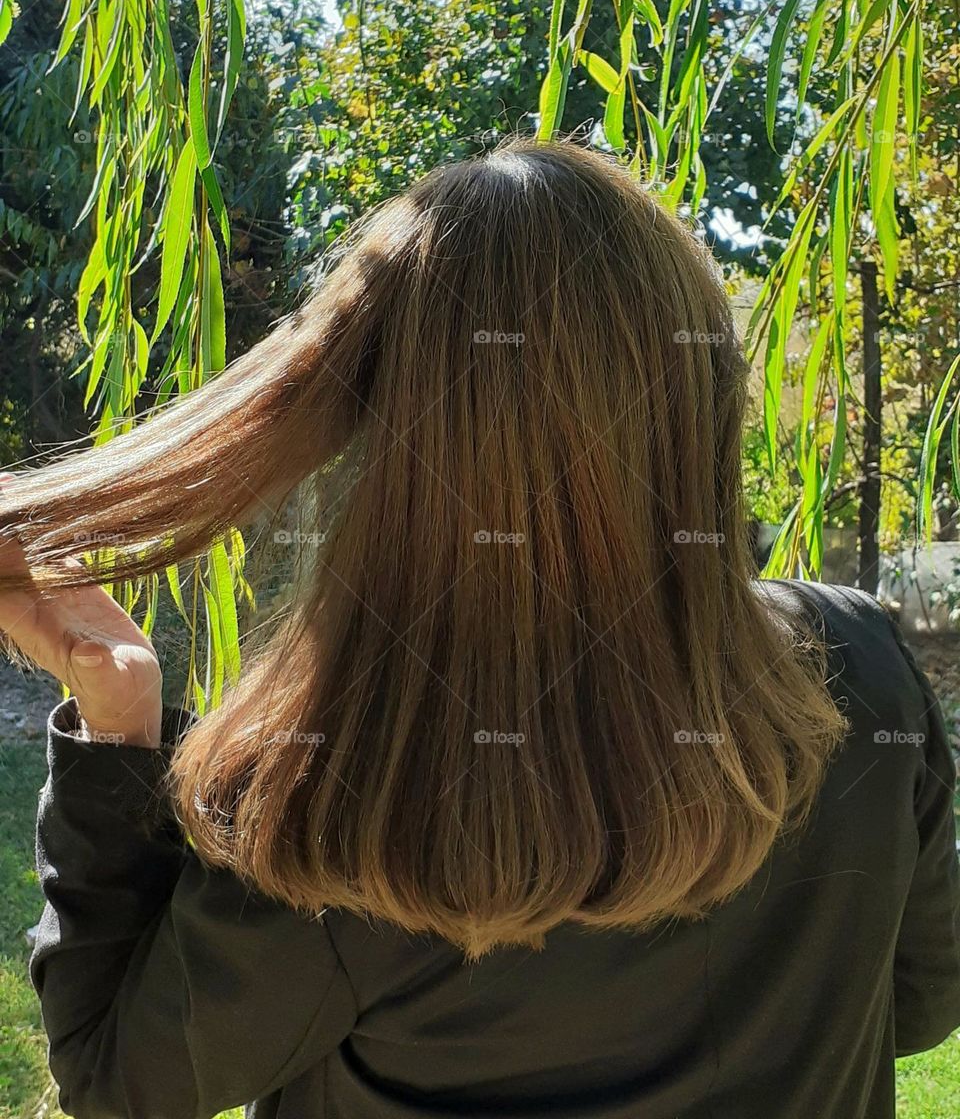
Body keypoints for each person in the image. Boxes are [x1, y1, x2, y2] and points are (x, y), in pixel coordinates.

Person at [0, 139, 957, 1119]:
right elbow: (919, 998)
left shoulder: (350, 803)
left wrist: (116, 714)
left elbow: (117, 1072)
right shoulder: (866, 671)